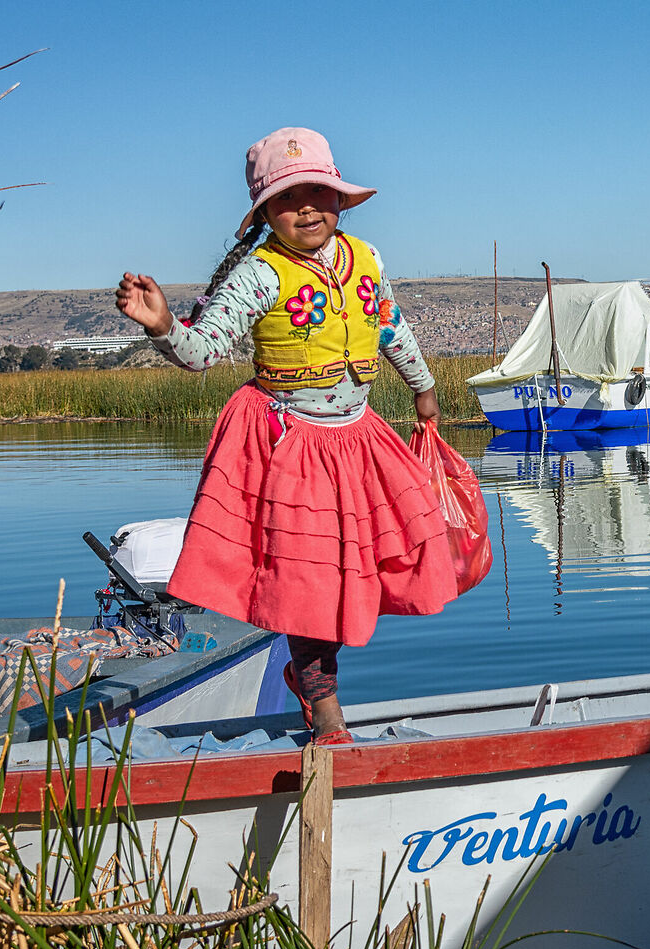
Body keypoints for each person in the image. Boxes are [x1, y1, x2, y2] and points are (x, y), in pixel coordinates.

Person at [116, 127, 453, 745]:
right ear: (265, 212)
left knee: (372, 560)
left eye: (318, 193)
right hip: (291, 443)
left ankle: (314, 674)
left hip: (357, 437)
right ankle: (323, 700)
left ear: (339, 200)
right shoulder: (260, 273)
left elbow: (390, 326)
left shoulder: (366, 258)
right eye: (288, 197)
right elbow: (203, 350)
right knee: (309, 580)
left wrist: (423, 387)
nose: (306, 208)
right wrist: (163, 325)